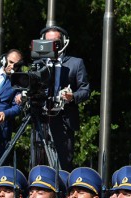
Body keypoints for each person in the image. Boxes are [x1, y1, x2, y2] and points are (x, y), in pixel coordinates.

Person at [24, 26, 90, 169]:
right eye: (48, 42)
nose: (52, 46)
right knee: (38, 161)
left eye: (55, 42)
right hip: (40, 119)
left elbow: (85, 90)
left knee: (62, 163)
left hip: (64, 120)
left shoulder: (75, 63)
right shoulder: (38, 64)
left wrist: (72, 97)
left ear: (64, 42)